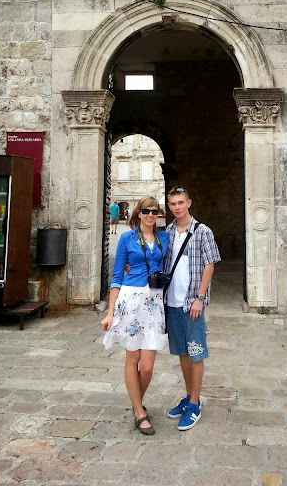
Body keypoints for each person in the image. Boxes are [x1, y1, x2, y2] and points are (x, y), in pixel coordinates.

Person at [101, 196, 170, 436]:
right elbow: (116, 276)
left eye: (154, 211)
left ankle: (136, 402)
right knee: (133, 358)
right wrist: (109, 313)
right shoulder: (127, 239)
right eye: (146, 211)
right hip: (130, 301)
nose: (150, 215)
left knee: (148, 367)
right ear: (138, 213)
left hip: (154, 303)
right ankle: (139, 412)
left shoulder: (164, 238)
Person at [164, 185, 221, 431]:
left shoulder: (202, 231)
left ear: (189, 203)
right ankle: (188, 397)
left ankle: (195, 404)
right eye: (173, 204)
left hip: (191, 303)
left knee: (196, 352)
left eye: (181, 202)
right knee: (183, 353)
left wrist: (200, 297)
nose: (177, 207)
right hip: (172, 302)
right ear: (169, 206)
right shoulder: (168, 231)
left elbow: (210, 264)